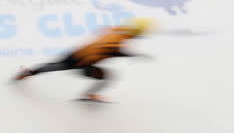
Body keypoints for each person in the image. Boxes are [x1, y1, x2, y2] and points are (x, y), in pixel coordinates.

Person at [13, 18, 155, 101]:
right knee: (106, 77)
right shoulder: (118, 40)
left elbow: (107, 30)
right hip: (84, 61)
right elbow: (112, 51)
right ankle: (89, 94)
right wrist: (132, 55)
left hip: (77, 52)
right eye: (141, 34)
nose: (141, 37)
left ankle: (28, 72)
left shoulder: (119, 31)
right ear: (137, 33)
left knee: (55, 65)